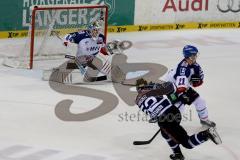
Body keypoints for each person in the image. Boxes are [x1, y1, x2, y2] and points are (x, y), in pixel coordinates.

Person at [135, 78, 222, 160]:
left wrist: (156, 117)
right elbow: (171, 86)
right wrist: (157, 86)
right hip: (174, 112)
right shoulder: (153, 89)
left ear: (137, 89)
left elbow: (152, 112)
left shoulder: (137, 100)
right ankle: (177, 154)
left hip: (165, 120)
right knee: (165, 133)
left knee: (187, 143)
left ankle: (206, 134)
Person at [162, 45, 216, 127]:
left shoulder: (196, 66)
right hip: (170, 87)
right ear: (189, 56)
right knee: (179, 106)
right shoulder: (182, 68)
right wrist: (182, 96)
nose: (196, 57)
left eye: (196, 55)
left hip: (182, 86)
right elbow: (180, 88)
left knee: (200, 101)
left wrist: (198, 82)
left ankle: (204, 120)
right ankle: (170, 126)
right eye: (194, 55)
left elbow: (199, 79)